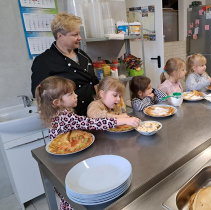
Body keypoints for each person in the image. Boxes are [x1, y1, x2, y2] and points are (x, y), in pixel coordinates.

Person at [35, 76, 139, 210]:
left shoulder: (60, 114)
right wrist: (121, 120)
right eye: (70, 94)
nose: (76, 95)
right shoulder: (64, 117)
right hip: (67, 162)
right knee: (72, 200)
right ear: (57, 102)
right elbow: (91, 123)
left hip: (65, 159)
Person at [31, 12, 98, 116]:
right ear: (60, 36)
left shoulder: (82, 55)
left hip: (91, 111)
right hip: (68, 118)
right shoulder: (44, 61)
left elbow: (94, 82)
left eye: (79, 34)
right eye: (75, 35)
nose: (80, 38)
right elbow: (40, 95)